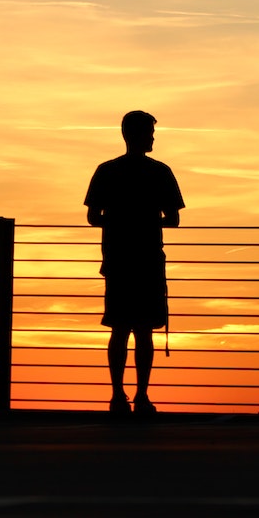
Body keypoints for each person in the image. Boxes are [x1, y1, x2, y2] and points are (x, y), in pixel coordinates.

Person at [84, 110, 185, 416]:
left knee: (119, 329)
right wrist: (146, 222)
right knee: (144, 331)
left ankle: (117, 396)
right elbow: (174, 220)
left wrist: (119, 222)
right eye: (150, 133)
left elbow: (92, 217)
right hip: (148, 260)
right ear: (140, 135)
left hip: (118, 260)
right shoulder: (160, 172)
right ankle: (142, 396)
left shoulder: (106, 171)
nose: (153, 137)